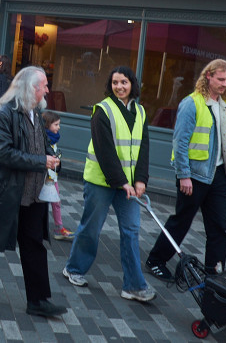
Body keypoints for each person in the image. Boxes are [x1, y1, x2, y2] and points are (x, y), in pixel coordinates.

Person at [0, 66, 66, 318]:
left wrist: (50, 156)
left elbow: (40, 145)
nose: (47, 90)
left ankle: (38, 300)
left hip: (32, 192)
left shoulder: (35, 112)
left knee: (33, 244)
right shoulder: (5, 113)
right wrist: (41, 160)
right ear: (32, 88)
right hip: (5, 190)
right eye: (43, 85)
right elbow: (3, 152)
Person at [61, 67, 155, 302]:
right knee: (91, 228)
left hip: (130, 185)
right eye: (115, 83)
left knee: (131, 231)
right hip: (101, 182)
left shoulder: (141, 111)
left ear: (132, 83)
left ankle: (133, 286)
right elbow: (104, 151)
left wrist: (141, 179)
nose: (119, 87)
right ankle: (74, 269)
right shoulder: (102, 110)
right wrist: (122, 182)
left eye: (124, 82)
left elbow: (144, 148)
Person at [145, 59, 226, 280]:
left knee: (218, 228)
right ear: (209, 76)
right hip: (193, 176)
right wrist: (183, 175)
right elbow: (180, 142)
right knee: (182, 221)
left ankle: (215, 273)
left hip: (217, 176)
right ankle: (156, 261)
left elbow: (223, 144)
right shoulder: (191, 103)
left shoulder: (224, 105)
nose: (225, 84)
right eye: (221, 79)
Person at [43, 112, 74, 241]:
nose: (58, 127)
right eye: (56, 124)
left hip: (52, 176)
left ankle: (59, 228)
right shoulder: (44, 138)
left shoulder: (54, 137)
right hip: (45, 177)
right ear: (47, 124)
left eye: (59, 124)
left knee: (56, 202)